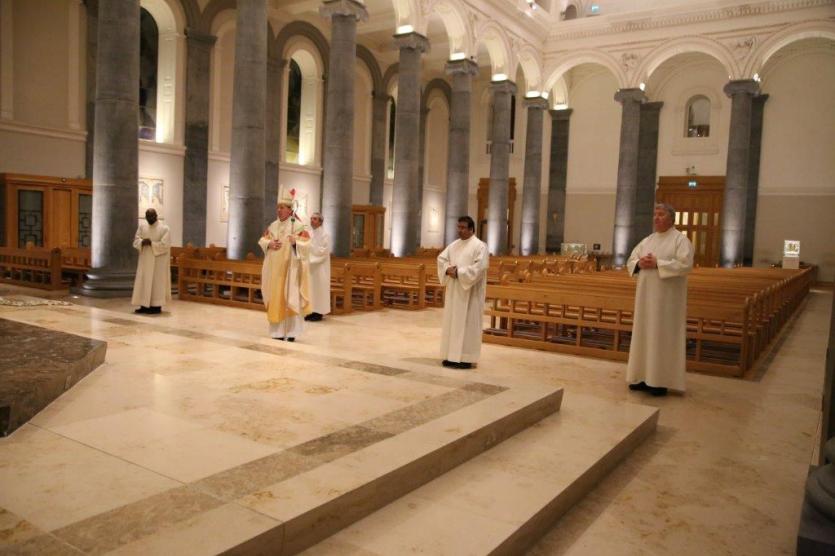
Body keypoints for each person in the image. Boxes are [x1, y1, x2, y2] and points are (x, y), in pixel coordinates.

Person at [626, 203, 695, 396]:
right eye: (655, 214)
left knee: (661, 337)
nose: (656, 218)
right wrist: (639, 263)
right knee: (644, 334)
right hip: (645, 299)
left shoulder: (680, 240)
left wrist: (659, 264)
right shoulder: (647, 240)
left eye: (661, 214)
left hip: (667, 301)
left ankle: (659, 380)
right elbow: (631, 260)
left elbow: (685, 265)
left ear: (671, 219)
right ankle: (641, 376)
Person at [258, 189, 312, 341]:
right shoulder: (273, 226)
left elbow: (307, 246)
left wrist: (296, 243)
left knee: (290, 297)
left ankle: (291, 332)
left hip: (290, 271)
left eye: (282, 208)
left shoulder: (299, 227)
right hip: (275, 271)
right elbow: (262, 240)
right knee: (276, 299)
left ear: (290, 210)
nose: (279, 210)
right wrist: (269, 243)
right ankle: (277, 332)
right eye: (278, 208)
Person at [437, 216, 489, 369]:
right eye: (458, 227)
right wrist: (447, 269)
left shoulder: (480, 246)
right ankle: (450, 356)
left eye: (463, 227)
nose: (460, 230)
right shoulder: (454, 245)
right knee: (452, 323)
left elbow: (480, 268)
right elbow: (441, 259)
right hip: (454, 291)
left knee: (468, 324)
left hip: (470, 292)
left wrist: (459, 272)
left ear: (472, 229)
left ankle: (465, 358)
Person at [131, 208, 171, 314]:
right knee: (144, 281)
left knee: (156, 283)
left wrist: (152, 243)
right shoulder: (142, 226)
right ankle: (144, 305)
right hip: (145, 260)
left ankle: (156, 306)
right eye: (147, 217)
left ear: (156, 216)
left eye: (152, 216)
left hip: (158, 261)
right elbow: (136, 240)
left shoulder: (164, 228)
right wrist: (142, 242)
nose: (149, 219)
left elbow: (165, 245)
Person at [304, 212, 331, 322]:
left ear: (320, 222)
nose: (312, 221)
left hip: (320, 267)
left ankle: (319, 312)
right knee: (311, 289)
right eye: (311, 219)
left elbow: (323, 251)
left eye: (315, 219)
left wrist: (310, 248)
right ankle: (311, 311)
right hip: (310, 266)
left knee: (319, 289)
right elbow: (305, 247)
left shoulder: (326, 235)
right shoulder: (309, 233)